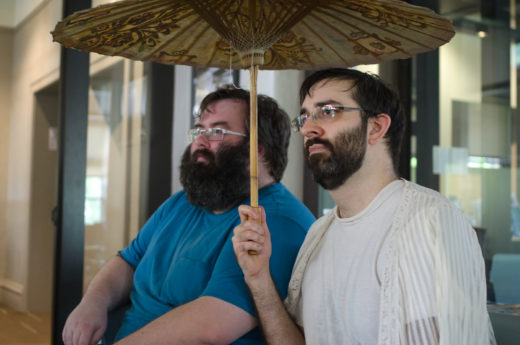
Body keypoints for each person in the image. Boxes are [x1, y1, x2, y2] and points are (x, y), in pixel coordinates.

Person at [232, 68, 496, 345]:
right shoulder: (318, 234)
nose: (308, 128)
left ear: (376, 127)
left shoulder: (429, 221)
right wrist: (259, 278)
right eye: (305, 116)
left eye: (329, 111)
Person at [62, 86, 315, 345]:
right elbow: (128, 261)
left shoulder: (274, 221)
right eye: (199, 130)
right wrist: (93, 303)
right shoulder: (183, 203)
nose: (200, 141)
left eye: (217, 131)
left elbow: (211, 326)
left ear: (258, 150)